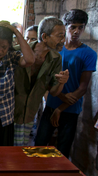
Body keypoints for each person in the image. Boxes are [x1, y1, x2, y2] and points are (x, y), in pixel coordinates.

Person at [35, 9, 97, 158]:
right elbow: (46, 80)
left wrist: (61, 108)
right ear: (66, 27)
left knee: (63, 149)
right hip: (51, 104)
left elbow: (82, 88)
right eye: (73, 27)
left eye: (81, 27)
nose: (76, 31)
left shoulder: (89, 54)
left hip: (71, 109)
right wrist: (59, 100)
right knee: (39, 145)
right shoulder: (55, 49)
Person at [14, 17, 69, 146]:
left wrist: (62, 82)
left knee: (21, 149)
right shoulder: (19, 51)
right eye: (59, 36)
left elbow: (54, 92)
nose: (62, 40)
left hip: (29, 113)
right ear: (44, 36)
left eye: (64, 36)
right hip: (10, 111)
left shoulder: (55, 59)